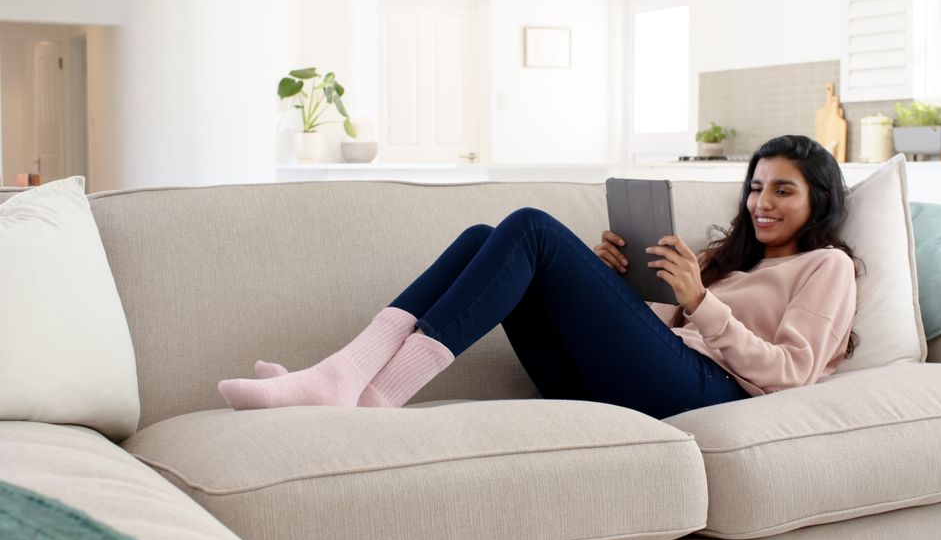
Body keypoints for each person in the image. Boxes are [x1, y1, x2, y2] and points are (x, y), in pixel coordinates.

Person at [218, 135, 858, 419]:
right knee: (485, 240)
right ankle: (353, 382)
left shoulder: (827, 265)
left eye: (783, 190)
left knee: (529, 227)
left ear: (820, 199)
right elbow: (660, 330)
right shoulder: (729, 257)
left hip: (713, 393)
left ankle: (362, 388)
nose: (761, 202)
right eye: (755, 187)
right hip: (635, 380)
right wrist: (610, 283)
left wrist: (701, 304)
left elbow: (792, 371)